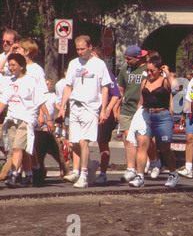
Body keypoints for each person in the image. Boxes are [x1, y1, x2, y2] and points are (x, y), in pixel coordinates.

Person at [57, 35, 111, 188]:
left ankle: (84, 175)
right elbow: (68, 87)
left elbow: (105, 87)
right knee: (74, 143)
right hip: (75, 106)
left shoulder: (99, 64)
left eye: (82, 49)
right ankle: (85, 165)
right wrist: (62, 108)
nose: (80, 52)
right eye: (77, 49)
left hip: (91, 107)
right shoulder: (73, 64)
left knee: (84, 142)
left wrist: (104, 110)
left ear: (90, 47)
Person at [0, 53, 54, 187]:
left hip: (26, 118)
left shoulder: (29, 81)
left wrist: (48, 119)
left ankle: (14, 175)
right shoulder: (10, 82)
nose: (10, 67)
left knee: (18, 147)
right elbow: (3, 102)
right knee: (20, 149)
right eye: (9, 65)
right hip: (12, 118)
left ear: (21, 66)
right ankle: (29, 176)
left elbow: (41, 101)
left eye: (13, 65)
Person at [128, 55, 179, 187]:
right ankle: (140, 177)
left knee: (164, 148)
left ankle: (173, 173)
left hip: (162, 117)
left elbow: (176, 87)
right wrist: (137, 117)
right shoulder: (144, 82)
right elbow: (141, 102)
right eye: (148, 70)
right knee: (141, 146)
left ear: (159, 69)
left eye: (152, 70)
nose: (149, 73)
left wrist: (167, 73)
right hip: (146, 116)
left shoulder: (165, 81)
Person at [116, 45, 149, 183]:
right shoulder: (125, 69)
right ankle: (131, 169)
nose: (127, 61)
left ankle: (149, 162)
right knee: (128, 138)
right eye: (125, 58)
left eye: (129, 59)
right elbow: (120, 91)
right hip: (127, 109)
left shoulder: (147, 69)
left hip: (141, 109)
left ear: (138, 57)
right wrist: (116, 108)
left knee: (141, 140)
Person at [91, 47, 121, 185]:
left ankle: (102, 173)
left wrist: (108, 109)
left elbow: (116, 94)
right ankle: (84, 170)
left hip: (102, 114)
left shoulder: (107, 74)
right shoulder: (82, 71)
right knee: (79, 143)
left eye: (93, 55)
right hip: (86, 112)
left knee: (103, 144)